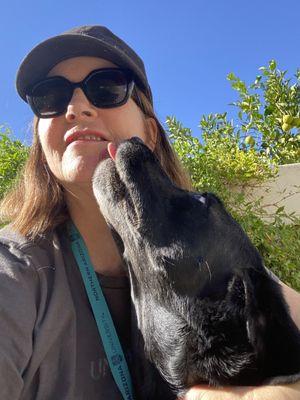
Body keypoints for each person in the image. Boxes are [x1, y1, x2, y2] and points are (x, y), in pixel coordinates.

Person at [0, 25, 299, 400]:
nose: (75, 108)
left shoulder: (208, 256)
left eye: (106, 87)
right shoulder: (14, 273)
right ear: (41, 142)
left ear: (151, 133)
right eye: (50, 96)